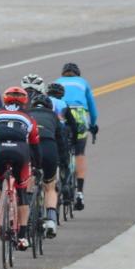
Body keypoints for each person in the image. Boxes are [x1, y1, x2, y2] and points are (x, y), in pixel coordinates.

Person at [0, 87, 41, 251]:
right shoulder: (28, 118)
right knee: (22, 191)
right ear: (25, 101)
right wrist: (37, 166)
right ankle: (23, 236)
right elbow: (35, 146)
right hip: (20, 152)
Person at [55, 62, 98, 210]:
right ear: (78, 74)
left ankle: (60, 180)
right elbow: (92, 108)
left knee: (61, 148)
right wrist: (93, 125)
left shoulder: (57, 82)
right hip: (79, 115)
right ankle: (79, 192)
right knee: (79, 153)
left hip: (61, 114)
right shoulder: (83, 82)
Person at [26, 93, 66, 237]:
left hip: (31, 147)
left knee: (29, 179)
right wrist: (63, 162)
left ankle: (28, 216)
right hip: (49, 147)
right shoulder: (53, 116)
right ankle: (51, 221)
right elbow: (61, 141)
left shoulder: (27, 114)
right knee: (50, 186)